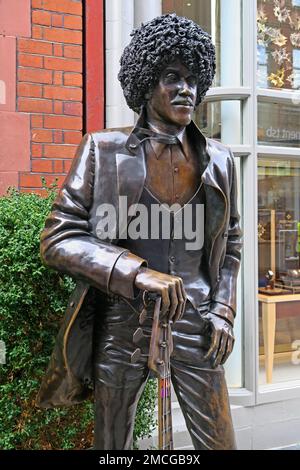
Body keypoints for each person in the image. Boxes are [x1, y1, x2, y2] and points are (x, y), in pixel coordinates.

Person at [36, 14, 243, 450]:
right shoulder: (102, 149)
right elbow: (58, 238)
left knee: (219, 443)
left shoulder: (220, 162)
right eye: (172, 76)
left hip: (198, 320)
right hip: (121, 322)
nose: (186, 88)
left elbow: (232, 244)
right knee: (112, 446)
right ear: (146, 82)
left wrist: (223, 309)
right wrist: (135, 272)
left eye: (192, 78)